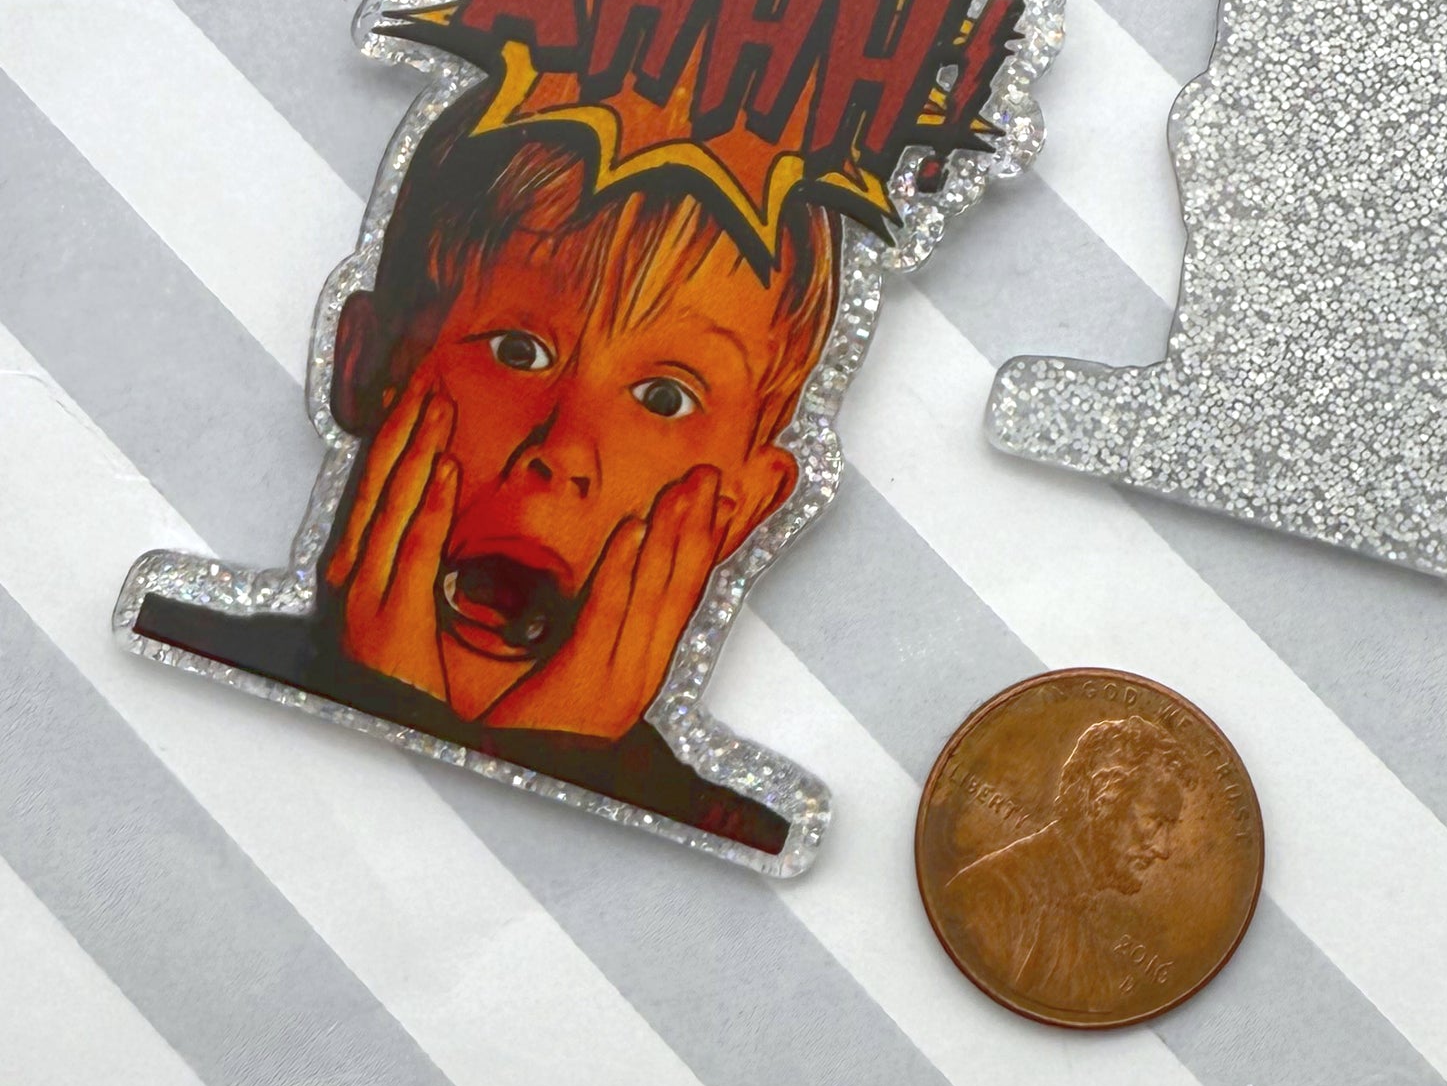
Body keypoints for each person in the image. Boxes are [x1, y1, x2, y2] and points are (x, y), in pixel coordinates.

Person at [136, 90, 840, 854]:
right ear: (368, 364)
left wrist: (569, 756)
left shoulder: (736, 837)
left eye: (663, 398)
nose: (565, 449)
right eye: (517, 351)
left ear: (746, 506)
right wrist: (374, 697)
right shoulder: (177, 661)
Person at [940, 715, 1192, 1013]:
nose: (1164, 849)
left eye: (1169, 827)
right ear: (1102, 796)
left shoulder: (1094, 921)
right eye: (1155, 821)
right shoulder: (990, 895)